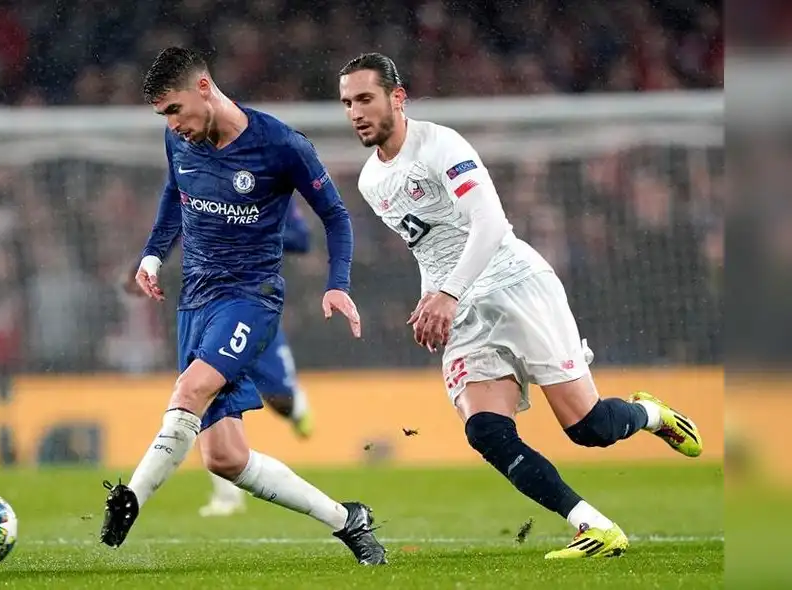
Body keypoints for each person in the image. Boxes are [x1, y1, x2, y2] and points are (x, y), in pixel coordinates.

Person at [338, 53, 703, 560]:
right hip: (463, 307)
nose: (355, 112)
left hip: (515, 287)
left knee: (589, 429)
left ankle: (651, 413)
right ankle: (593, 525)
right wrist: (431, 296)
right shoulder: (370, 182)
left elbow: (489, 224)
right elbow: (427, 245)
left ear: (396, 99)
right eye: (347, 103)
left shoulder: (441, 146)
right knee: (485, 430)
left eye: (364, 99)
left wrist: (448, 293)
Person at [99, 47, 386, 566]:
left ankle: (131, 497)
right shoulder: (177, 140)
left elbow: (336, 216)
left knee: (189, 390)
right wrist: (151, 255)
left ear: (204, 87)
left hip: (250, 300)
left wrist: (337, 283)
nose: (172, 124)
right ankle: (349, 520)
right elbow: (174, 194)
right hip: (194, 304)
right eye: (163, 115)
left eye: (175, 110)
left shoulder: (279, 144)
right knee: (225, 459)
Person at [125, 199, 317, 517]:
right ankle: (226, 495)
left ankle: (295, 405)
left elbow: (301, 239)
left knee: (279, 399)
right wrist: (146, 261)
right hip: (208, 304)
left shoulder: (270, 181)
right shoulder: (198, 179)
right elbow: (173, 223)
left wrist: (246, 230)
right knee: (202, 395)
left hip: (251, 303)